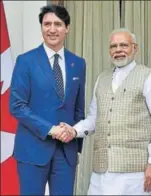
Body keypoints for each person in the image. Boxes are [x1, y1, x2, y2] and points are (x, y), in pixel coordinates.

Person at [58, 28, 151, 195]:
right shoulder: (101, 79)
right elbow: (94, 118)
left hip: (135, 174)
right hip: (101, 174)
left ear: (135, 48)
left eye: (123, 45)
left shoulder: (150, 77)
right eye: (113, 46)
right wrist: (74, 131)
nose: (118, 50)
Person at [9, 5, 86, 196]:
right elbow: (17, 106)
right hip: (33, 149)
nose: (52, 29)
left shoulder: (78, 63)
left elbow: (79, 108)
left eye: (58, 24)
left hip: (66, 151)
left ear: (67, 28)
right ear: (41, 27)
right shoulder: (25, 61)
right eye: (47, 24)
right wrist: (51, 129)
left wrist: (74, 134)